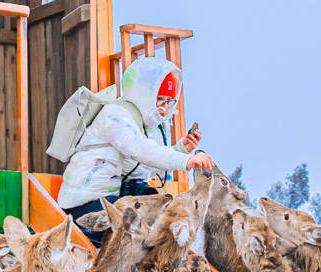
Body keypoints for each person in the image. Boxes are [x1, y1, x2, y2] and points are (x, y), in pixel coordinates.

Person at [56, 56, 215, 236]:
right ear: (143, 95)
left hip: (112, 198)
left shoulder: (147, 125)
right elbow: (140, 149)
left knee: (151, 199)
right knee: (132, 231)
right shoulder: (115, 115)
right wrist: (185, 160)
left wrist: (180, 149)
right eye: (160, 99)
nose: (164, 108)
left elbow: (143, 166)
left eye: (170, 101)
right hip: (84, 202)